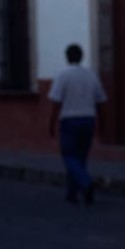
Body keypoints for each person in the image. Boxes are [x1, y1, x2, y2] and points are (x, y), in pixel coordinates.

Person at [48, 44, 106, 205]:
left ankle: (86, 182)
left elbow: (56, 102)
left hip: (69, 120)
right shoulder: (91, 75)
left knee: (68, 157)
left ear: (67, 57)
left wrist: (51, 123)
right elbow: (100, 100)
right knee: (81, 158)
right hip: (88, 119)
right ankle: (72, 193)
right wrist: (100, 122)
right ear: (82, 56)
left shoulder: (62, 75)